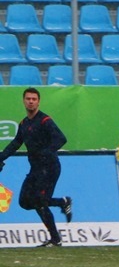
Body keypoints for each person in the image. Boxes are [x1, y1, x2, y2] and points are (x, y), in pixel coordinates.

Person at [0, 88, 73, 248]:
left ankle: (56, 240)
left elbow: (61, 139)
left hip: (49, 167)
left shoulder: (45, 120)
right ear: (24, 101)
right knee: (25, 202)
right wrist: (2, 157)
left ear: (38, 102)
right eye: (28, 98)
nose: (31, 101)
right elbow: (16, 143)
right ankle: (62, 202)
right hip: (36, 169)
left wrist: (46, 152)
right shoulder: (24, 124)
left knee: (40, 201)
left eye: (34, 99)